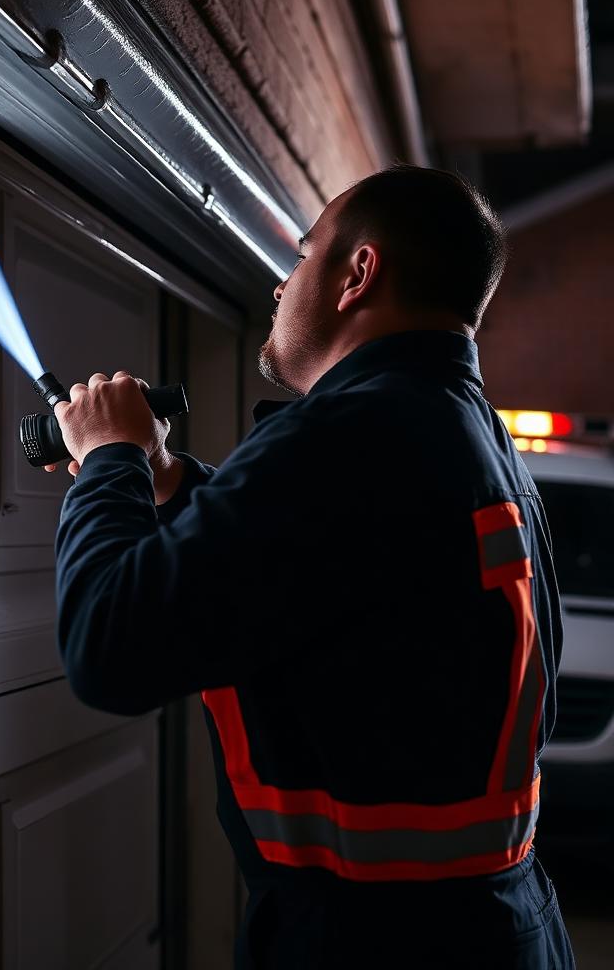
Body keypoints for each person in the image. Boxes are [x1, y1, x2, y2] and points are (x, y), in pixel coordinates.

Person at [43, 166, 575, 968]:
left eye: (301, 256)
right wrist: (169, 480)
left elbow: (108, 645)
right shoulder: (463, 432)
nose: (284, 283)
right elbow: (330, 576)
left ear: (358, 274)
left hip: (374, 944)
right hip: (491, 927)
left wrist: (111, 459)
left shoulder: (351, 434)